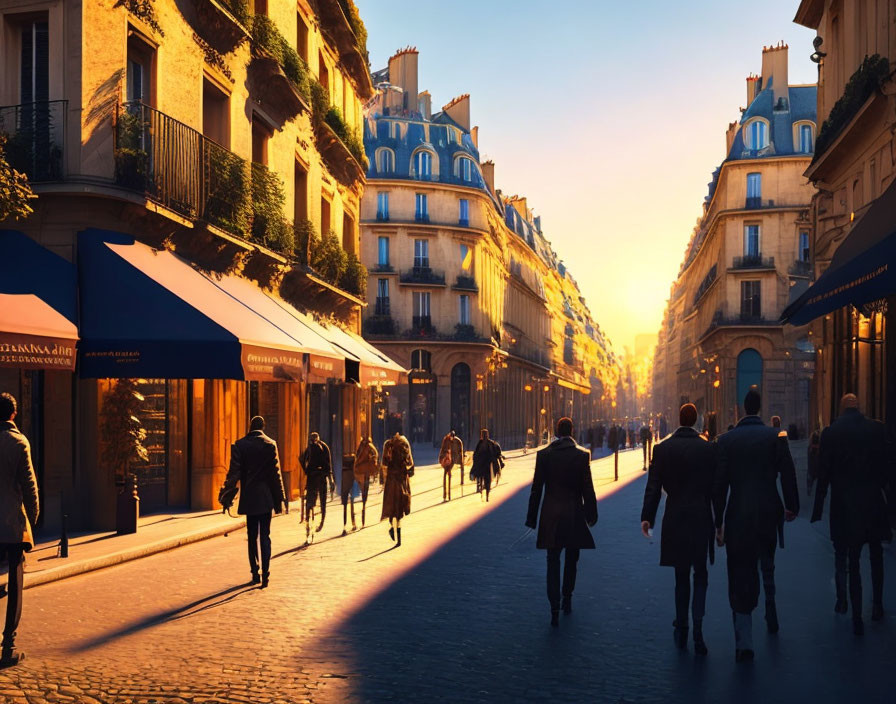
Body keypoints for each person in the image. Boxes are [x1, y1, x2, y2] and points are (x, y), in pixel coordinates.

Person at [713, 387, 799, 662]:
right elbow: (788, 473)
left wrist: (718, 521)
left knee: (741, 571)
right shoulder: (776, 437)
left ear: (742, 409)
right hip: (767, 510)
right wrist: (792, 506)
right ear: (759, 409)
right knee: (767, 560)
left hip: (738, 514)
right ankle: (771, 607)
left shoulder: (726, 441)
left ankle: (745, 638)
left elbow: (719, 485)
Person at [811, 394, 892, 634]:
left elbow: (823, 472)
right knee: (876, 555)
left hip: (845, 504)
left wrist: (818, 507)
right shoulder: (875, 429)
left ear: (841, 408)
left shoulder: (832, 433)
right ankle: (877, 604)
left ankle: (856, 614)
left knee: (853, 559)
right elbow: (887, 465)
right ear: (859, 408)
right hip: (873, 501)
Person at [641, 404, 716, 655]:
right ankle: (698, 627)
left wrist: (647, 518)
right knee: (700, 573)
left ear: (679, 419)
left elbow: (653, 486)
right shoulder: (707, 448)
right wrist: (720, 522)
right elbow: (715, 488)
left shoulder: (663, 449)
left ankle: (682, 625)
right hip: (700, 516)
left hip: (674, 517)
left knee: (681, 576)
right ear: (696, 420)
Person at [526, 417, 597, 627]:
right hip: (574, 513)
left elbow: (536, 488)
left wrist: (532, 518)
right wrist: (591, 514)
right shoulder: (581, 456)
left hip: (551, 514)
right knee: (572, 558)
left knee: (552, 560)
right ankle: (567, 596)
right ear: (572, 431)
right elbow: (588, 489)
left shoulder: (544, 455)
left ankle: (553, 606)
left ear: (556, 432)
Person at [221, 416, 287, 588]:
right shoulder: (270, 444)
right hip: (265, 498)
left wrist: (226, 494)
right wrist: (280, 498)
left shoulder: (240, 445)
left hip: (249, 497)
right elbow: (276, 474)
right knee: (265, 536)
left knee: (252, 536)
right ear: (263, 427)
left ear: (250, 427)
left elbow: (233, 473)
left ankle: (254, 572)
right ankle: (266, 574)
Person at [0, 393, 39, 667]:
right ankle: (8, 645)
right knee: (15, 582)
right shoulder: (19, 442)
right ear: (13, 414)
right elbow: (29, 483)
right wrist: (33, 515)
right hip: (12, 523)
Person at [300, 432, 335, 545]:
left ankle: (309, 521)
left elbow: (302, 459)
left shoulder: (311, 448)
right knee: (321, 500)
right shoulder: (324, 447)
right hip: (321, 477)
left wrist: (306, 470)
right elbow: (328, 465)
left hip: (313, 477)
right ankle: (319, 522)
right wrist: (331, 479)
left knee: (311, 501)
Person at [382, 432, 414, 546]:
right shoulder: (404, 444)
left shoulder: (388, 445)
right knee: (400, 507)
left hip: (391, 480)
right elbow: (410, 463)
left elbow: (384, 463)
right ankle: (399, 538)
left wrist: (384, 479)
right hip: (401, 480)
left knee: (391, 505)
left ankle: (392, 526)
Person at [353, 436, 378, 527]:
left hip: (361, 471)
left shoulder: (366, 446)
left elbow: (374, 457)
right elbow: (375, 456)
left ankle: (362, 509)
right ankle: (362, 509)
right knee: (363, 493)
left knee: (362, 493)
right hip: (364, 472)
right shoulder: (369, 447)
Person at [471, 429, 501, 502]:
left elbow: (496, 453)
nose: (484, 436)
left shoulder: (490, 443)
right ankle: (478, 482)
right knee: (478, 473)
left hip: (487, 464)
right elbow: (476, 453)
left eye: (485, 435)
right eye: (483, 435)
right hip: (482, 464)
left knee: (487, 479)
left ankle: (487, 493)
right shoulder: (480, 443)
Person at [438, 430, 464, 501]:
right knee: (446, 475)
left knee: (448, 475)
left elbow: (458, 451)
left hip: (450, 459)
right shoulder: (447, 440)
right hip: (447, 459)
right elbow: (443, 449)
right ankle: (446, 495)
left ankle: (447, 495)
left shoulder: (455, 441)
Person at [806, 429, 820, 496]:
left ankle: (809, 489)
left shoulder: (810, 448)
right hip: (817, 471)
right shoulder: (819, 449)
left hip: (811, 471)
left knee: (810, 480)